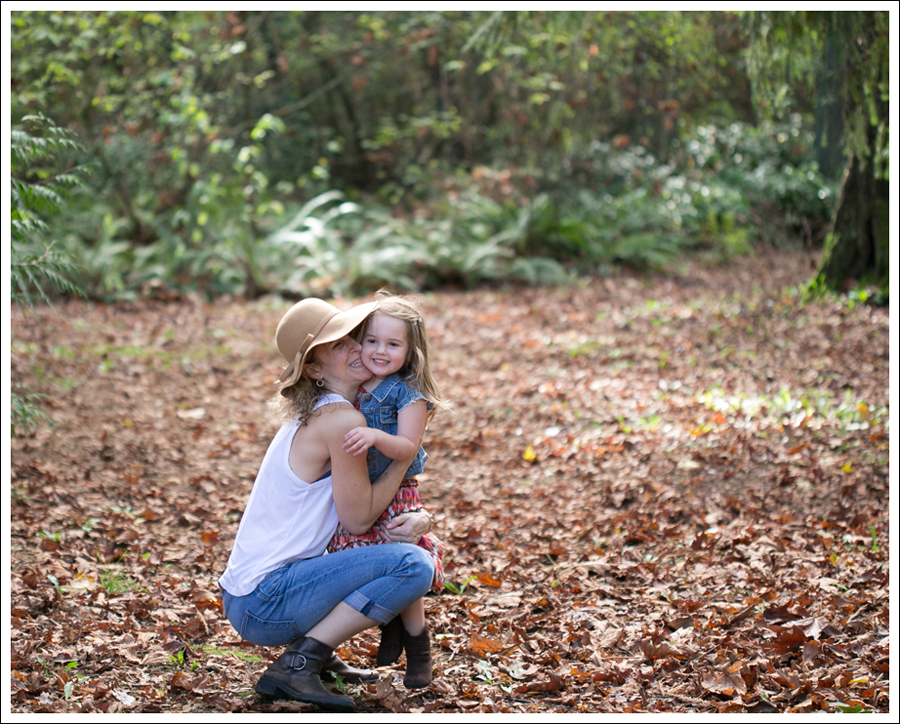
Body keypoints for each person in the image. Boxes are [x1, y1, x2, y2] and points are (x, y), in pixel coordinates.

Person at [218, 297, 436, 712]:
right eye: (339, 345)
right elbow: (358, 521)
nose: (357, 348)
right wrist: (405, 455)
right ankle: (299, 662)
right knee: (414, 565)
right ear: (314, 369)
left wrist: (423, 516)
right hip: (265, 602)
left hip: (248, 594)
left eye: (354, 337)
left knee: (404, 554)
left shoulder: (323, 411)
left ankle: (320, 657)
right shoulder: (341, 421)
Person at [328, 291, 450, 689]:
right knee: (367, 564)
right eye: (372, 341)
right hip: (360, 489)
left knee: (403, 563)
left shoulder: (407, 394)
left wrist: (373, 434)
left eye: (393, 344)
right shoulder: (353, 384)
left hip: (396, 495)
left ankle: (418, 646)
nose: (380, 351)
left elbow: (407, 448)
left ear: (410, 351)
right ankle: (390, 625)